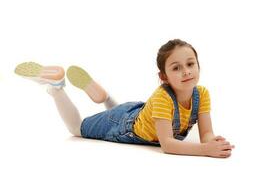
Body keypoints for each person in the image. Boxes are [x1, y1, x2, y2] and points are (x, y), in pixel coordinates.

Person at [14, 39, 235, 158]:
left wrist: (212, 142)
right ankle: (57, 87)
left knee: (118, 112)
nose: (186, 71)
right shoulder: (162, 98)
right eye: (176, 68)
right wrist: (205, 151)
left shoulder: (202, 93)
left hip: (134, 111)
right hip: (124, 126)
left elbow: (205, 132)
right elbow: (167, 144)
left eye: (190, 64)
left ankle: (105, 97)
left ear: (198, 66)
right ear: (164, 77)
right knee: (76, 128)